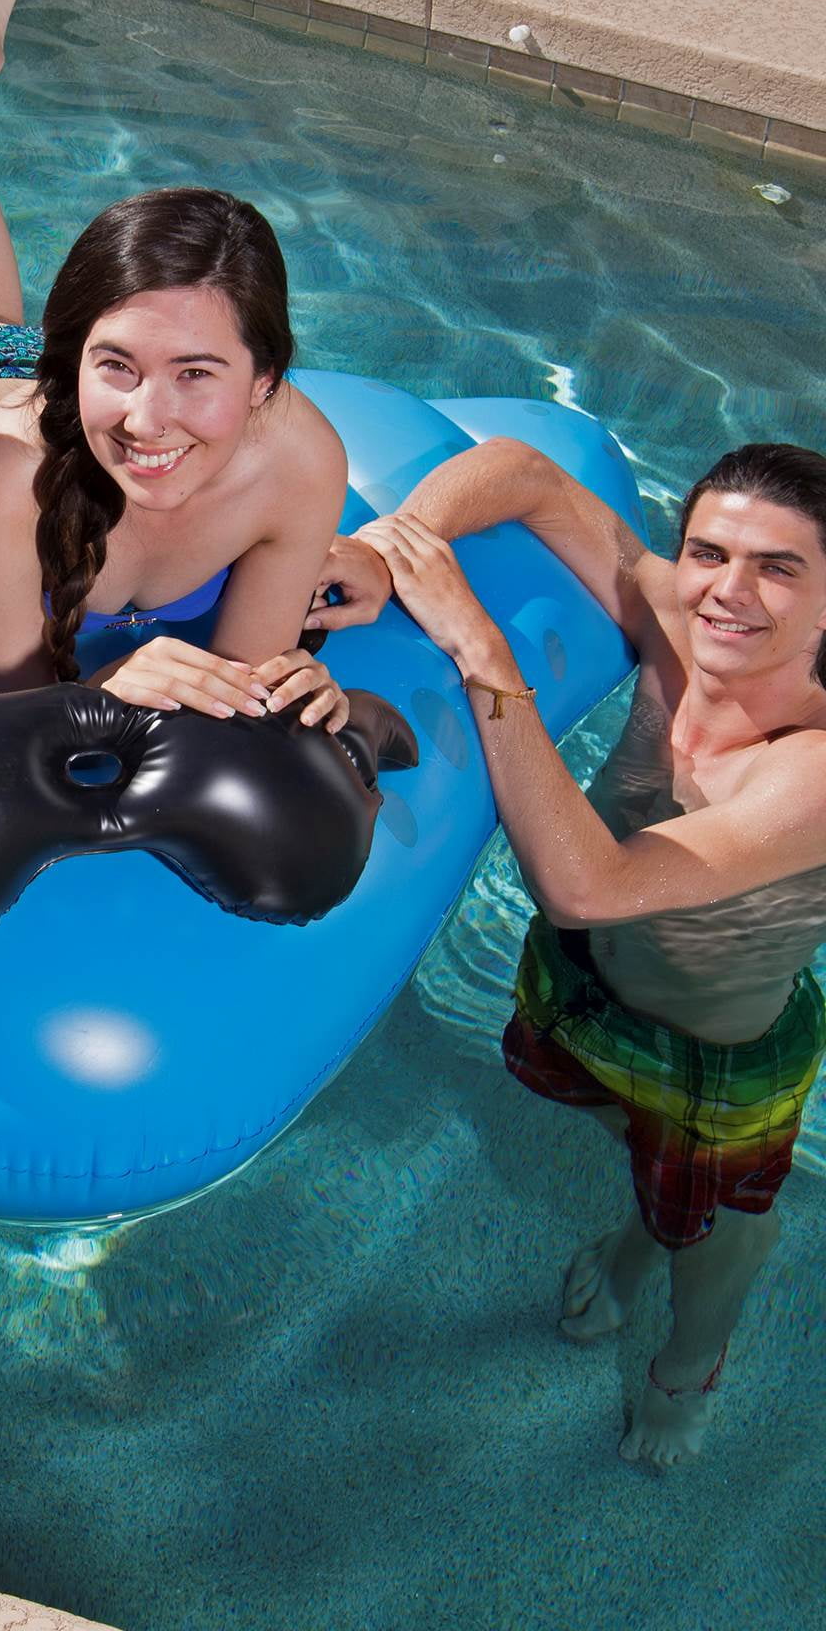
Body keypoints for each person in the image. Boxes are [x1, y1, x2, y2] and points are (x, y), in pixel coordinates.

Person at [310, 440, 826, 1468]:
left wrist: (480, 649)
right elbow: (523, 470)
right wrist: (382, 547)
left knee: (713, 1228)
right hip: (581, 979)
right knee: (618, 1143)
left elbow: (587, 879)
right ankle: (644, 1221)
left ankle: (688, 1364)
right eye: (707, 550)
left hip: (712, 1054)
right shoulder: (679, 617)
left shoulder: (808, 768)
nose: (727, 590)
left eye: (777, 566)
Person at [0, 0, 348, 730]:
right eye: (116, 363)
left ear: (266, 378)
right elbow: (5, 723)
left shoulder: (300, 461)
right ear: (81, 351)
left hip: (46, 378)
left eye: (196, 374)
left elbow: (233, 697)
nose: (149, 422)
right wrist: (107, 688)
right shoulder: (5, 479)